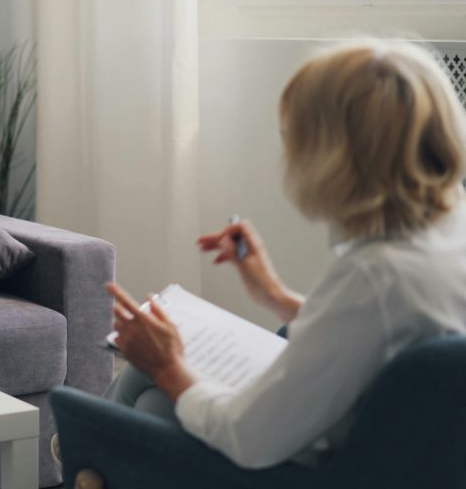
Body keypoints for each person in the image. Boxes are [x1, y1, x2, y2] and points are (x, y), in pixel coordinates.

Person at [102, 40, 466, 469]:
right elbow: (386, 333)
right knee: (148, 384)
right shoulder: (445, 232)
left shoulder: (374, 275)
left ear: (334, 159)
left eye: (293, 138)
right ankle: (86, 452)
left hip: (330, 465)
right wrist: (275, 295)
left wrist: (168, 366)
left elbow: (246, 438)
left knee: (155, 404)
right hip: (401, 445)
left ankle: (83, 454)